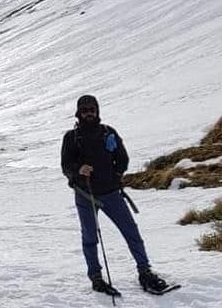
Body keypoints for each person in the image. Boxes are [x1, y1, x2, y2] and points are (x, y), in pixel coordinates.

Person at [61, 95, 167, 296]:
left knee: (132, 233)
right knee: (90, 237)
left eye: (92, 109)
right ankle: (96, 278)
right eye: (85, 110)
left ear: (97, 110)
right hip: (86, 195)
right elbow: (65, 166)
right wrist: (78, 170)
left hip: (111, 193)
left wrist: (116, 175)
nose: (89, 113)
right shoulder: (71, 138)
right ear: (78, 113)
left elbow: (123, 159)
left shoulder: (108, 133)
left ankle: (145, 271)